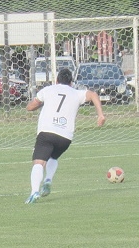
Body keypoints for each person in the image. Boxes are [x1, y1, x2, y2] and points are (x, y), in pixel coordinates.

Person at [25, 68, 106, 203]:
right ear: (71, 83)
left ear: (57, 80)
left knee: (38, 163)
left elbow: (31, 106)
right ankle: (48, 180)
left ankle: (34, 192)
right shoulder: (76, 93)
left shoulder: (48, 90)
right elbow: (93, 95)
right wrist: (101, 115)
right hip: (65, 137)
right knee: (53, 156)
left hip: (47, 132)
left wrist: (34, 105)